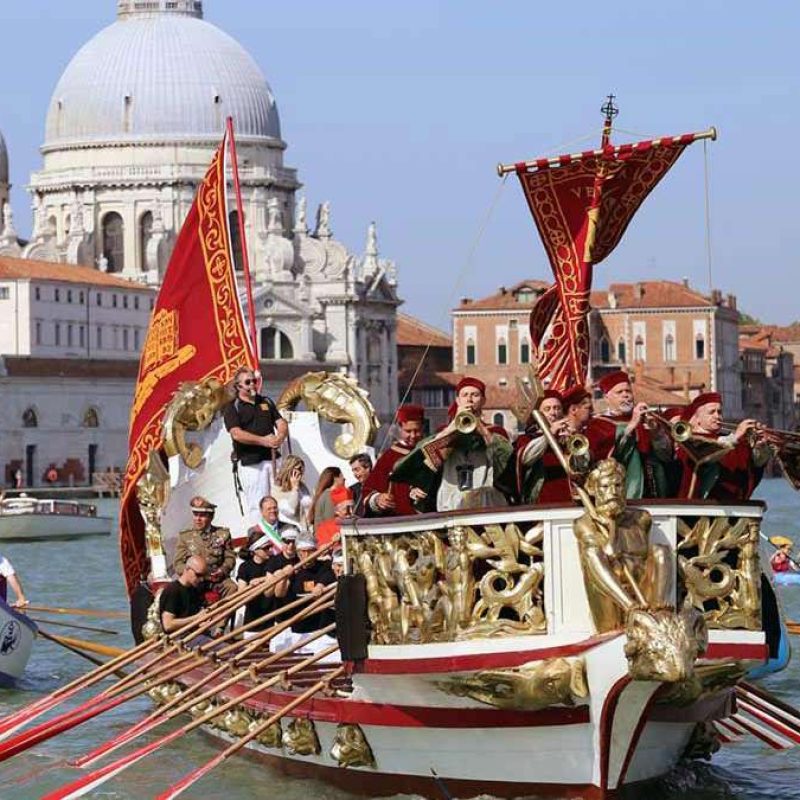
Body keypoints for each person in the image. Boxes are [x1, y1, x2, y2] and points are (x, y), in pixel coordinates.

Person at [573, 459, 670, 633]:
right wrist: (612, 526)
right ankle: (631, 608)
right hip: (610, 599)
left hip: (643, 591)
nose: (613, 492)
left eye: (618, 485)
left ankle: (660, 610)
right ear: (593, 490)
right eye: (605, 487)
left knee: (661, 550)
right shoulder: (584, 523)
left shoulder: (641, 518)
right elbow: (610, 552)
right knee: (592, 552)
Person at [395, 377, 513, 512]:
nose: (469, 399)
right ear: (458, 400)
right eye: (465, 395)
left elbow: (504, 457)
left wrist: (480, 427)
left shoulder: (495, 431)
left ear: (483, 400)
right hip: (451, 501)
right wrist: (453, 426)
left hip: (485, 500)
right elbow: (430, 458)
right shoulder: (444, 431)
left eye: (475, 395)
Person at [591, 371, 674, 498]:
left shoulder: (644, 419)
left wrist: (656, 432)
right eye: (619, 392)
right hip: (620, 493)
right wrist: (632, 425)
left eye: (628, 391)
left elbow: (665, 456)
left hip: (652, 492)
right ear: (607, 398)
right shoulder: (597, 424)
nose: (626, 396)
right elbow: (607, 460)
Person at [675, 392, 770, 501]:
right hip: (704, 506)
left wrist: (761, 447)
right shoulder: (691, 441)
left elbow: (755, 464)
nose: (717, 416)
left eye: (719, 412)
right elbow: (707, 454)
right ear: (698, 419)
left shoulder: (732, 440)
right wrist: (737, 436)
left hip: (736, 505)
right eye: (711, 412)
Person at [223, 366, 288, 525]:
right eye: (247, 382)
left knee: (281, 503)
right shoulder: (232, 407)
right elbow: (236, 433)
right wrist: (264, 440)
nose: (252, 384)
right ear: (238, 386)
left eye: (254, 380)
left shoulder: (266, 401)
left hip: (272, 460)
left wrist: (280, 435)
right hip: (251, 462)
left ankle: (283, 539)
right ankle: (260, 544)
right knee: (257, 504)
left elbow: (281, 422)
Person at [362, 404, 426, 517]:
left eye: (417, 430)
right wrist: (378, 499)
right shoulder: (389, 457)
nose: (413, 435)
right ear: (400, 429)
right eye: (408, 431)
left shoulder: (429, 451)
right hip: (397, 519)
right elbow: (369, 488)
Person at [514, 389, 573, 504]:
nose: (553, 413)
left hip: (570, 496)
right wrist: (550, 434)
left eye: (557, 408)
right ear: (539, 413)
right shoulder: (527, 438)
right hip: (543, 498)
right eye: (547, 409)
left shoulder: (570, 436)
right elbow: (526, 458)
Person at [173, 496, 238, 600]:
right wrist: (192, 573)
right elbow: (178, 564)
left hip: (217, 579)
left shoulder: (222, 534)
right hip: (194, 580)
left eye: (202, 515)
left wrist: (222, 570)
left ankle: (223, 616)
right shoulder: (185, 537)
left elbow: (230, 558)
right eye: (195, 514)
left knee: (232, 588)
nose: (198, 519)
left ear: (211, 517)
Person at [237, 528, 298, 638]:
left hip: (271, 622)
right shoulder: (245, 567)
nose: (270, 550)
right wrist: (251, 586)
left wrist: (262, 580)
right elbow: (241, 594)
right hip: (253, 621)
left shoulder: (273, 562)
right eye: (266, 548)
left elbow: (277, 578)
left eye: (270, 547)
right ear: (255, 550)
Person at [159, 555, 209, 634]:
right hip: (180, 639)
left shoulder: (194, 589)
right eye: (198, 575)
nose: (201, 579)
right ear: (187, 569)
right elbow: (168, 625)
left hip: (195, 635)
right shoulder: (173, 590)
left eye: (203, 576)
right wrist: (196, 618)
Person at [270, 456, 312, 531]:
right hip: (290, 531)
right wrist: (294, 488)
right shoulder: (277, 489)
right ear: (289, 469)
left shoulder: (302, 486)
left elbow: (309, 506)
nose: (301, 472)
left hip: (306, 529)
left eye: (302, 469)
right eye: (298, 468)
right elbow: (291, 510)